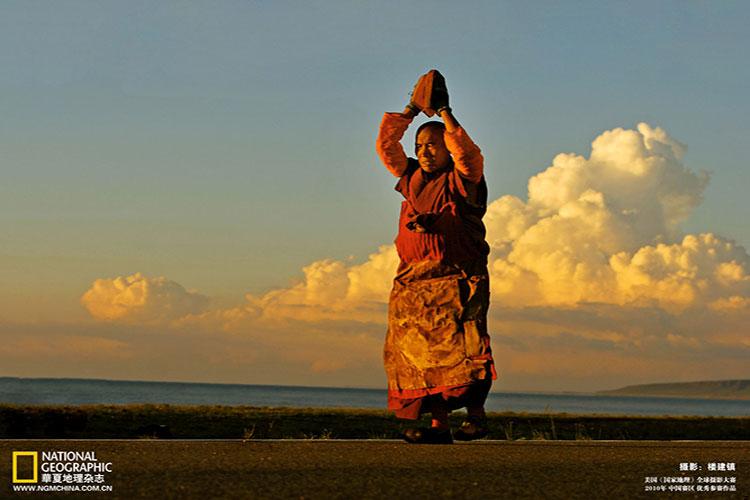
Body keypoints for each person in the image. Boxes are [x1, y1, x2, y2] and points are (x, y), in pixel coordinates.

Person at [376, 70, 497, 444]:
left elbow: (468, 153)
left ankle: (476, 419)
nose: (425, 151)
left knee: (468, 350)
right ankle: (438, 426)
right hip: (414, 284)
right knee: (420, 357)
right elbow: (386, 147)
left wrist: (444, 113)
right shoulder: (411, 177)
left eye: (434, 145)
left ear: (447, 149)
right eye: (421, 145)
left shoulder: (464, 178)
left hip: (458, 279)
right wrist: (411, 109)